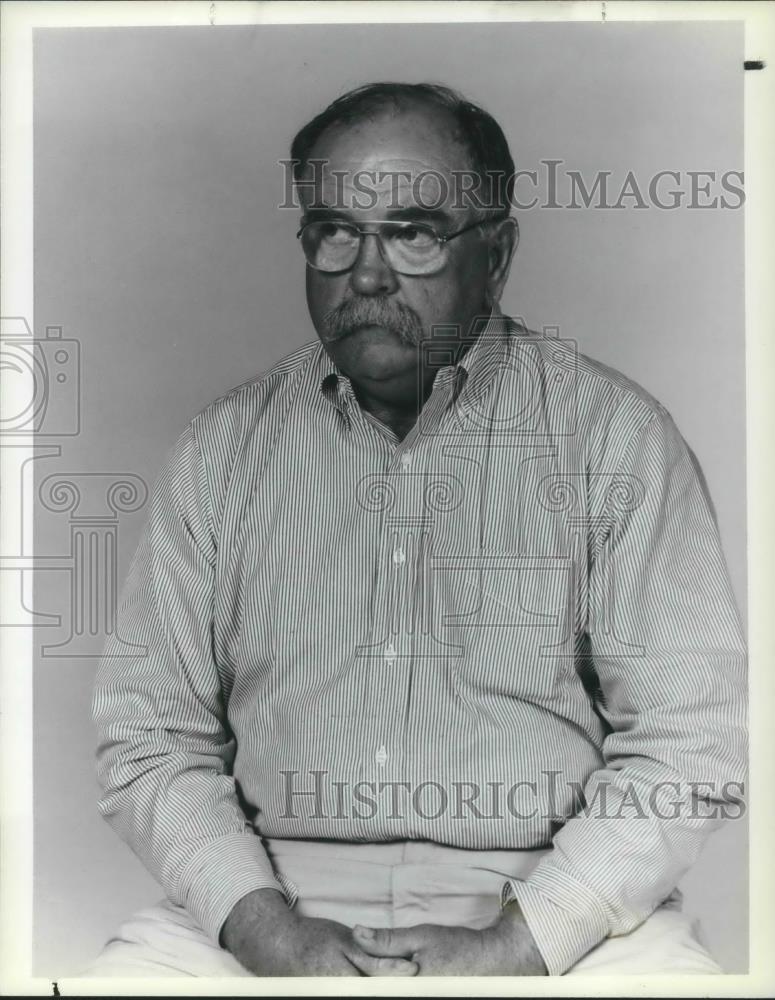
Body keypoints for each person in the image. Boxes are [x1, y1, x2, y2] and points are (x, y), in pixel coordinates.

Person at [88, 82, 746, 978]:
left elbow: (688, 739)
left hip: (553, 910)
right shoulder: (221, 450)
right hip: (271, 902)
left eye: (413, 233)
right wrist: (266, 931)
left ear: (498, 254)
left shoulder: (612, 437)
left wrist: (519, 943)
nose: (366, 273)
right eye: (334, 230)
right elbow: (149, 736)